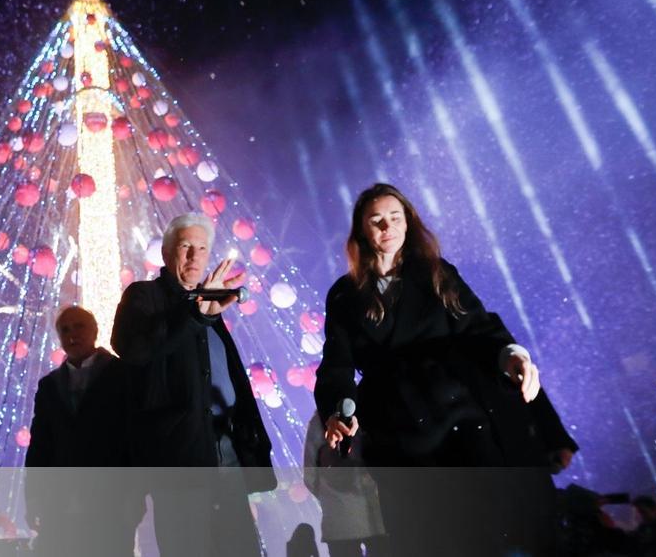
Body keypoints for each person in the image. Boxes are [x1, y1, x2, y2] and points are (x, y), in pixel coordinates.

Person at [314, 183, 577, 556]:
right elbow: (336, 363)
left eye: (395, 217)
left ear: (408, 223)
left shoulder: (437, 273)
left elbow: (480, 327)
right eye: (376, 220)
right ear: (362, 230)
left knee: (487, 526)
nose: (387, 227)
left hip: (459, 416)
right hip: (395, 429)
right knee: (423, 534)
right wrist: (339, 410)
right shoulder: (345, 294)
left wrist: (511, 354)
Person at [111, 212, 275, 557]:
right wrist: (195, 314)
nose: (194, 256)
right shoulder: (144, 296)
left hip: (226, 456)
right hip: (179, 459)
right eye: (186, 246)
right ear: (167, 252)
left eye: (202, 248)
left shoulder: (208, 304)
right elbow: (133, 349)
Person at [24, 306, 141, 557]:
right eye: (65, 330)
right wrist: (33, 496)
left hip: (112, 498)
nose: (72, 335)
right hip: (61, 500)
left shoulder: (123, 374)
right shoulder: (50, 386)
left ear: (95, 330)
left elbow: (134, 436)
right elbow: (40, 446)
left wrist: (135, 492)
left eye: (79, 326)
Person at [302, 412, 386, 557]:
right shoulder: (367, 410)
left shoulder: (318, 421)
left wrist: (328, 496)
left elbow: (309, 476)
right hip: (376, 516)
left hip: (338, 522)